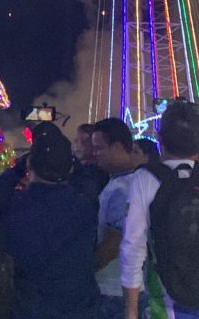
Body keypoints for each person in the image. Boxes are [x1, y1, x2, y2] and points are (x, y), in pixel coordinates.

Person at [0, 123, 99, 319]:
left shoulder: (11, 207)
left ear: (30, 165)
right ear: (70, 167)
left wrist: (17, 169)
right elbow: (87, 183)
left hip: (29, 309)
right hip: (79, 309)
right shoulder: (86, 206)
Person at [121, 100, 199, 319]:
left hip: (167, 302)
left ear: (159, 138)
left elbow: (132, 246)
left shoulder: (146, 178)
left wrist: (131, 309)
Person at [92, 117, 139, 318]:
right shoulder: (131, 181)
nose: (95, 154)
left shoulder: (122, 188)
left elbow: (115, 241)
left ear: (118, 146)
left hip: (113, 289)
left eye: (99, 148)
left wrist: (87, 267)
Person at [72, 122, 109, 196]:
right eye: (76, 141)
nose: (78, 145)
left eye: (84, 141)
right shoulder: (74, 169)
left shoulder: (99, 173)